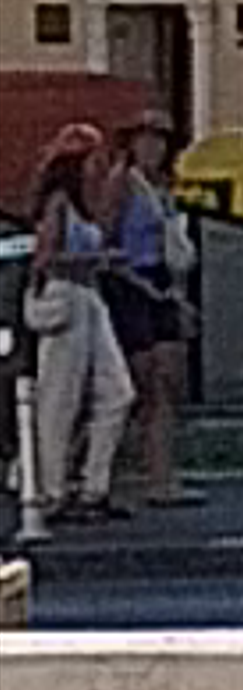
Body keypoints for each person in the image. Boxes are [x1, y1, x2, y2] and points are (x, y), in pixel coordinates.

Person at [15, 136, 133, 532]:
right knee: (58, 399)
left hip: (89, 296)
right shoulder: (60, 204)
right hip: (68, 294)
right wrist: (96, 258)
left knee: (117, 393)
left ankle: (92, 485)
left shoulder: (86, 206)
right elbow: (47, 258)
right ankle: (52, 488)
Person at [94, 122, 194, 511]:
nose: (153, 149)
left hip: (162, 281)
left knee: (167, 381)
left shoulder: (165, 189)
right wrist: (140, 284)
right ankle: (114, 476)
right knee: (137, 382)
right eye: (146, 141)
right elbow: (107, 244)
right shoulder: (122, 185)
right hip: (130, 283)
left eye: (160, 142)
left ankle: (162, 476)